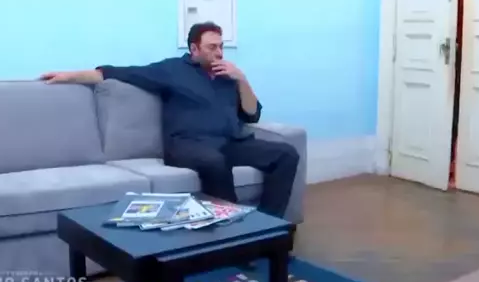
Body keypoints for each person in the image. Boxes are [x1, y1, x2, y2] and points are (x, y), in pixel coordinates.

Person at [40, 22, 299, 220]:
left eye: (221, 46)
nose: (219, 53)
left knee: (286, 154)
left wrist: (241, 78)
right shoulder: (172, 70)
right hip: (188, 145)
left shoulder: (228, 76)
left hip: (230, 142)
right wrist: (67, 76)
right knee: (214, 161)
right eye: (212, 47)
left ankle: (268, 226)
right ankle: (236, 232)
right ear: (194, 49)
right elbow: (116, 72)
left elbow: (252, 114)